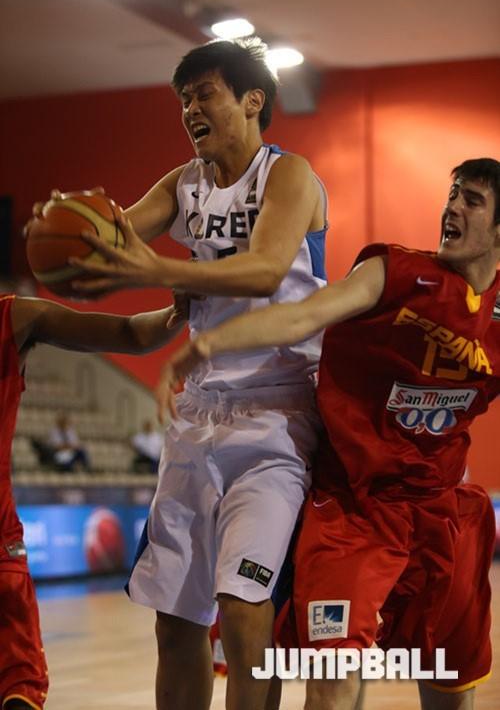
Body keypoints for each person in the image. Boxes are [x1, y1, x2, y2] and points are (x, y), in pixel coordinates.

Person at [156, 157, 500, 710]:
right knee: (332, 679)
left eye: (472, 200)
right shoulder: (394, 273)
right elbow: (304, 314)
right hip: (354, 511)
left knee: (448, 683)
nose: (452, 207)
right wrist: (212, 342)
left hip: (441, 512)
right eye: (452, 194)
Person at [48, 38, 328, 710]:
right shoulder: (184, 184)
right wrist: (74, 240)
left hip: (278, 418)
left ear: (252, 100)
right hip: (199, 414)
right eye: (183, 99)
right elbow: (117, 237)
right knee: (175, 624)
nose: (190, 110)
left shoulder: (289, 175)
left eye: (205, 94)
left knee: (244, 609)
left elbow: (266, 268)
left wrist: (159, 268)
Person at [0, 291, 186, 710]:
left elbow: (134, 334)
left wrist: (179, 310)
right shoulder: (14, 316)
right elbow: (131, 335)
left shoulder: (15, 317)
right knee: (18, 685)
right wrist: (179, 311)